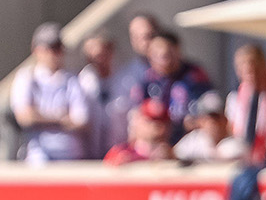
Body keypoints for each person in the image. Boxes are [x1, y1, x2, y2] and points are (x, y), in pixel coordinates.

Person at [9, 22, 89, 164]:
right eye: (48, 48)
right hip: (39, 155)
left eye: (57, 48)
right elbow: (25, 117)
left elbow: (81, 120)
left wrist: (40, 116)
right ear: (36, 50)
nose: (53, 54)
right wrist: (61, 118)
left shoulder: (72, 80)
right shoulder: (27, 77)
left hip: (70, 155)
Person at [132, 30, 212, 137]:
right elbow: (137, 113)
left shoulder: (195, 75)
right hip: (156, 140)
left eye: (167, 52)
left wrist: (196, 121)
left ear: (177, 50)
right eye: (156, 52)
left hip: (190, 139)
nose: (161, 54)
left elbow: (211, 111)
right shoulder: (147, 79)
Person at [78, 31, 132, 160]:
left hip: (120, 152)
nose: (97, 60)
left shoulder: (127, 80)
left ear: (110, 51)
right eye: (92, 56)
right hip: (90, 153)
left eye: (100, 54)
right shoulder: (82, 81)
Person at [172, 91, 246, 162]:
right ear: (200, 121)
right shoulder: (193, 141)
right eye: (207, 118)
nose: (213, 122)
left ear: (225, 120)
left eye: (216, 117)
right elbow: (173, 155)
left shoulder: (235, 142)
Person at [105, 100, 178, 164]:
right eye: (149, 121)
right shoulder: (120, 153)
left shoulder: (174, 154)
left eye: (162, 122)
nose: (155, 126)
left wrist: (171, 159)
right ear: (137, 121)